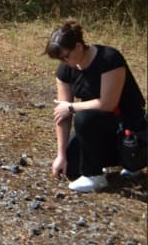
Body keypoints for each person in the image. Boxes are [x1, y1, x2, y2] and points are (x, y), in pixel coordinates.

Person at [45, 19, 146, 192]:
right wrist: (61, 155)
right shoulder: (65, 70)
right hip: (101, 127)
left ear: (78, 46)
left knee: (85, 118)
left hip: (128, 124)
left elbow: (107, 104)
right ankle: (112, 161)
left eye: (65, 56)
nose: (63, 62)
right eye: (59, 59)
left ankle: (96, 176)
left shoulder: (109, 59)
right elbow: (62, 113)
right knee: (70, 166)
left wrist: (71, 107)